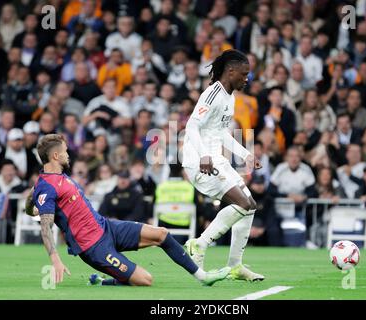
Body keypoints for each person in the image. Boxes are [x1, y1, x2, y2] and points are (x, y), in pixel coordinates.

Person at [24, 134, 229, 287]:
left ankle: (203, 277)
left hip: (106, 227)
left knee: (161, 234)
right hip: (94, 247)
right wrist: (55, 259)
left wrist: (30, 210)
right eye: (65, 151)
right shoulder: (47, 185)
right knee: (145, 280)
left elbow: (32, 198)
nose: (68, 154)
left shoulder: (51, 180)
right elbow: (45, 226)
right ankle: (102, 282)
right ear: (56, 155)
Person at [182, 49, 264, 281]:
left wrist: (245, 154)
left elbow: (221, 133)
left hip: (217, 159)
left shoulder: (230, 97)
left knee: (250, 206)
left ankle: (235, 266)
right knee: (243, 203)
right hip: (200, 161)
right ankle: (199, 244)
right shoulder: (212, 94)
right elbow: (192, 126)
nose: (247, 78)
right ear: (230, 71)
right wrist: (203, 156)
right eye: (244, 74)